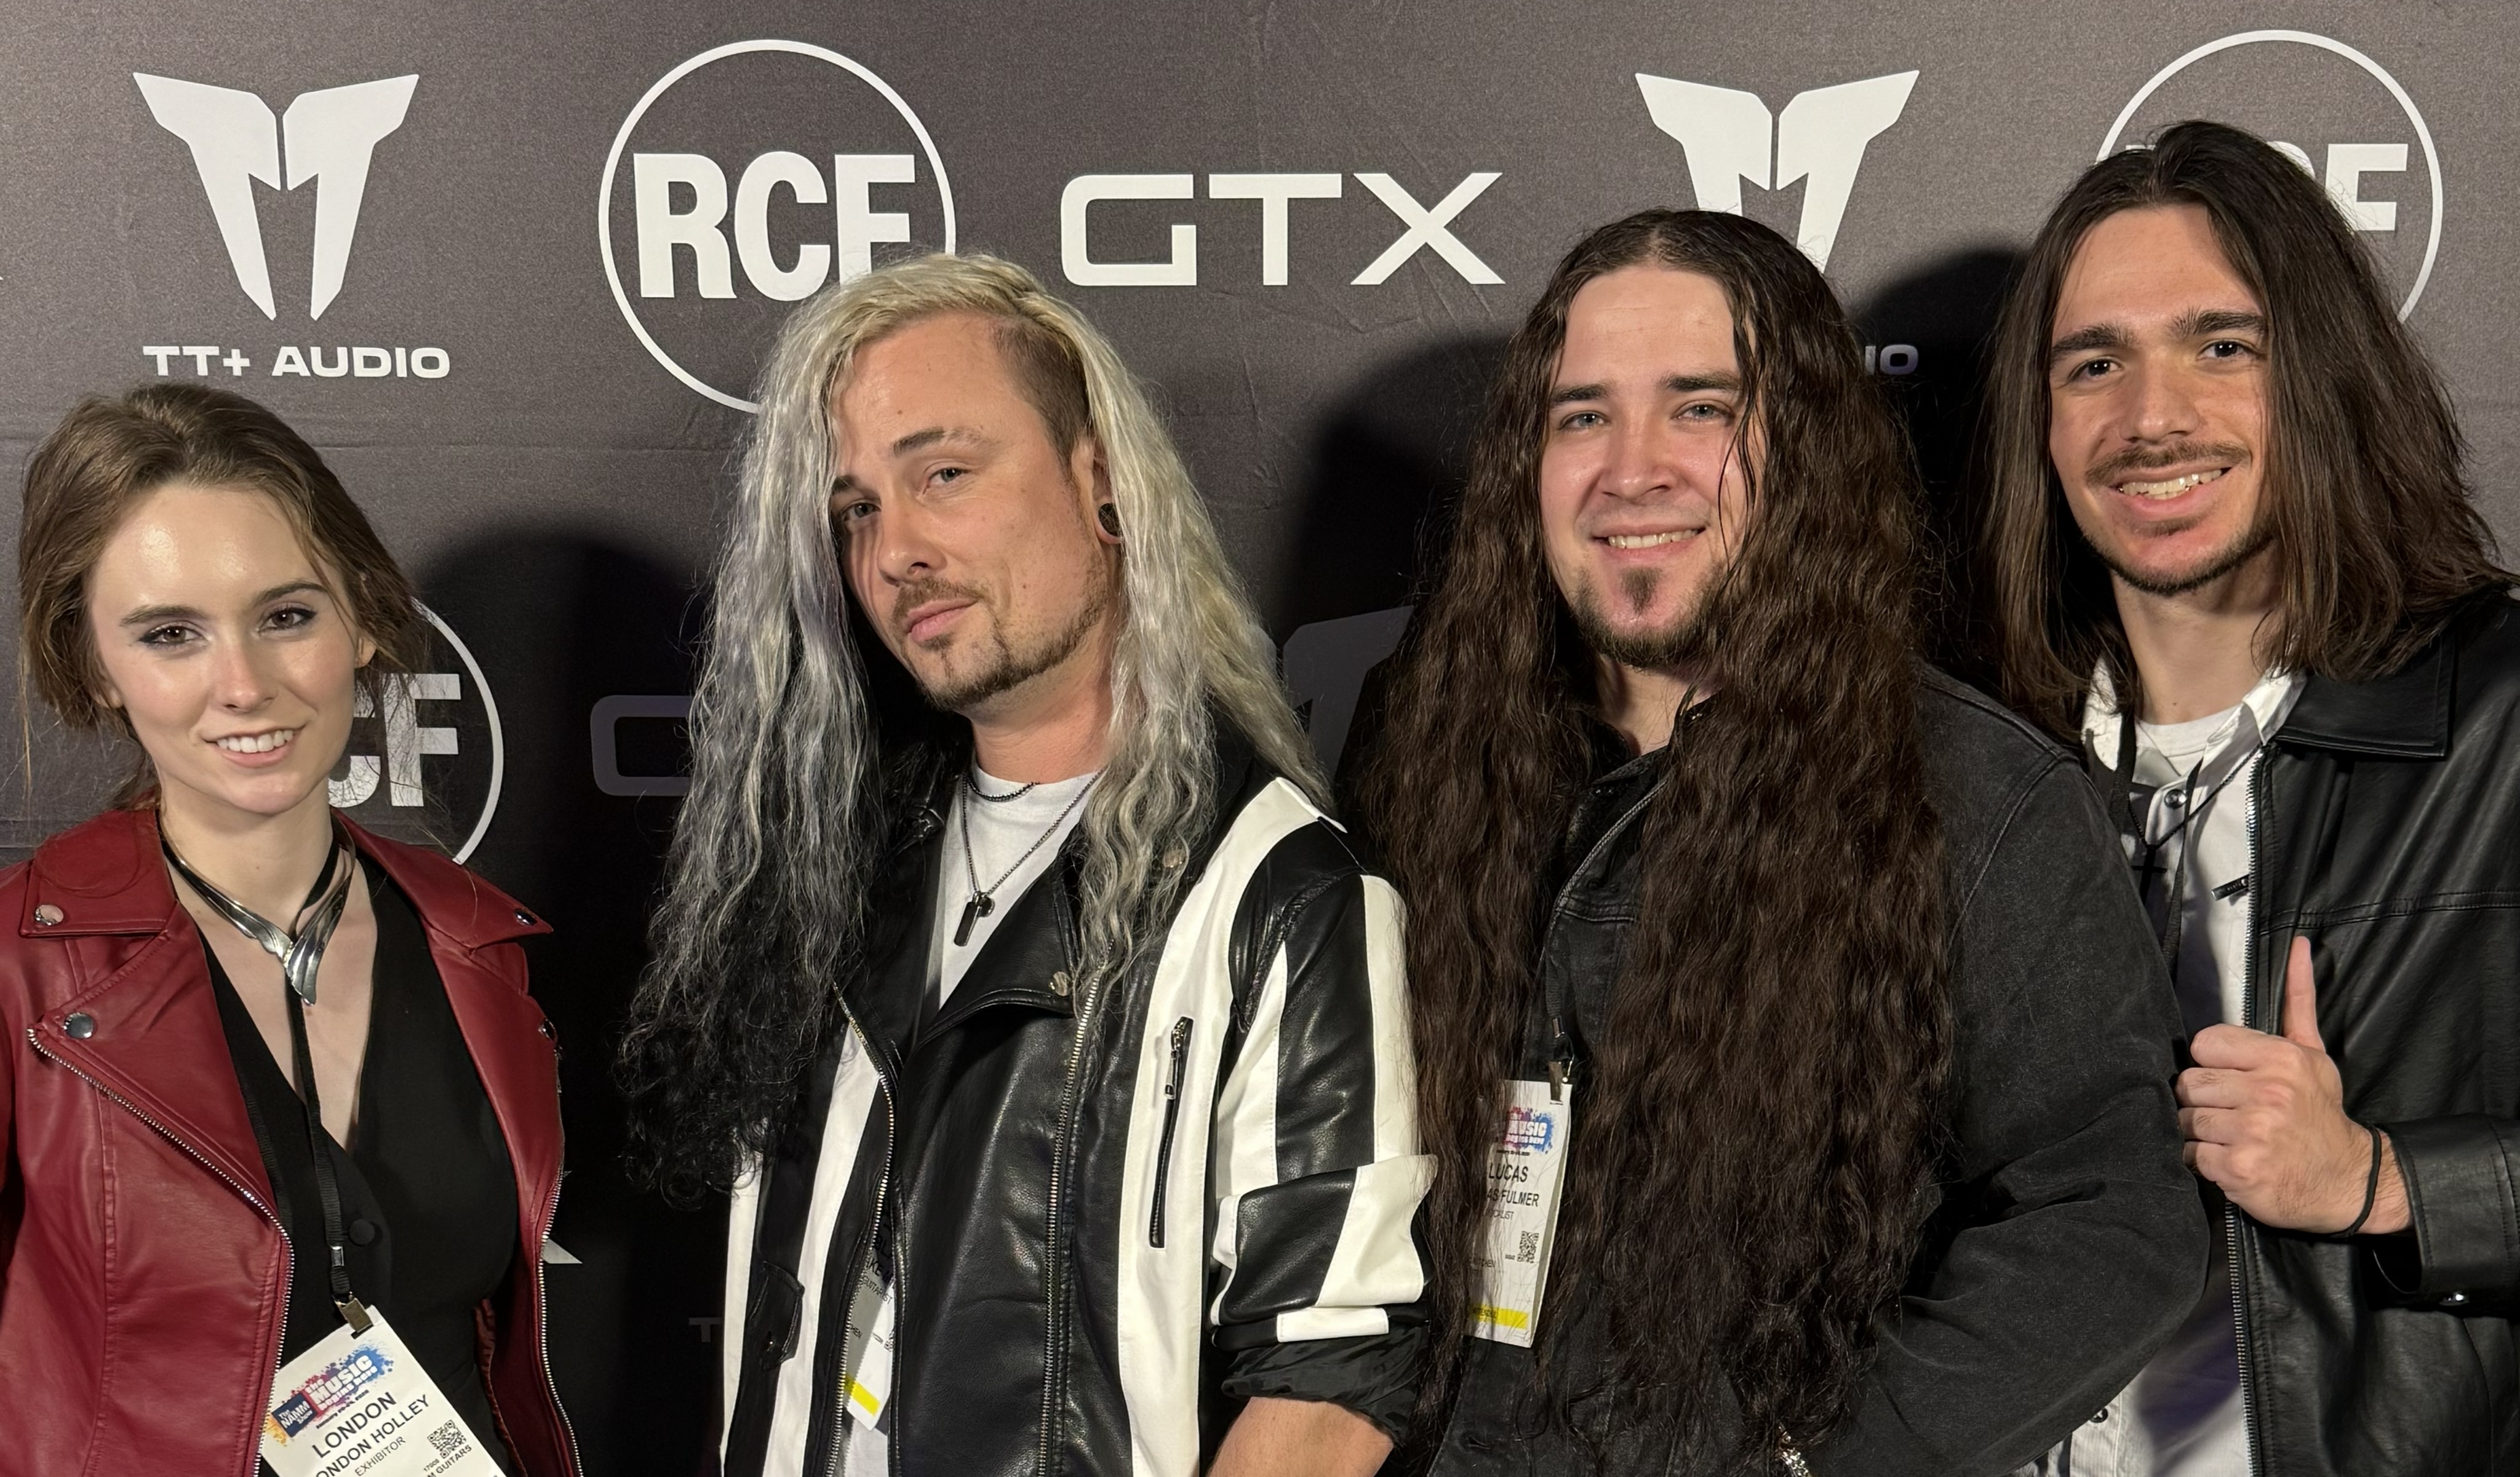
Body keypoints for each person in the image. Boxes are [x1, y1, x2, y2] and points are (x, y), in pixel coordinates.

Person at [1357, 209, 2205, 1476]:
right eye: (1581, 416)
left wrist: (1817, 1462)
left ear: (1803, 447)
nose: (1631, 469)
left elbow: (2111, 1216)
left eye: (1699, 408)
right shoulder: (1423, 746)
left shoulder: (1975, 795)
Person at [617, 253, 1427, 1477]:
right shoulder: (820, 869)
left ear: (1101, 483)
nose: (895, 549)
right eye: (856, 510)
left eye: (943, 473)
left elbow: (1331, 1383)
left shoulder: (1279, 893)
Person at [1981, 120, 2520, 1476]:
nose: (2151, 417)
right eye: (2093, 363)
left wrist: (2380, 1180)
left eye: (2222, 346)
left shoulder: (2500, 715)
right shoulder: (1969, 763)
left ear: (2321, 378)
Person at [0, 383, 575, 1476]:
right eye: (171, 634)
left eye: (286, 616)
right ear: (94, 665)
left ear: (362, 618)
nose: (244, 685)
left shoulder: (477, 944)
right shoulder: (18, 971)